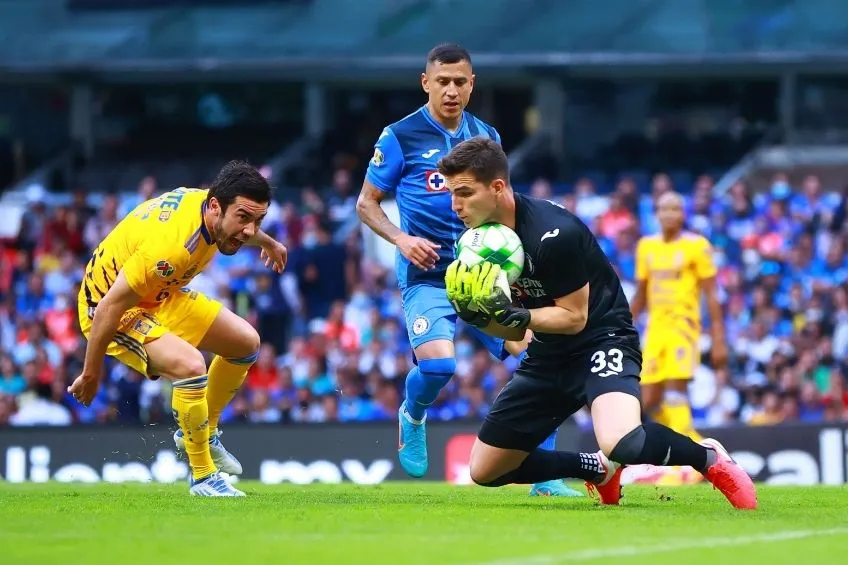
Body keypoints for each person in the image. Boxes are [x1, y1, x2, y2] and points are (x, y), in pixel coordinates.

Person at [439, 137, 757, 510]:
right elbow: (515, 332)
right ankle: (597, 469)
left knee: (623, 442)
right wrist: (480, 317)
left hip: (601, 339)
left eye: (463, 193)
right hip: (549, 351)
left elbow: (574, 318)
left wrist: (518, 316)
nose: (455, 205)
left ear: (497, 187)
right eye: (451, 194)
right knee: (485, 470)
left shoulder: (552, 233)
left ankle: (708, 457)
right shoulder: (477, 244)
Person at [356, 43, 578, 496]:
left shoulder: (486, 138)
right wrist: (401, 239)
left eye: (460, 82)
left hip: (483, 274)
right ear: (426, 83)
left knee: (544, 356)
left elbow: (504, 205)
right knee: (439, 367)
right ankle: (413, 413)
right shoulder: (400, 136)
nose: (451, 90)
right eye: (443, 82)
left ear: (472, 85)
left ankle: (544, 472)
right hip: (427, 273)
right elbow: (366, 204)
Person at [70, 160, 288, 496]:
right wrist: (91, 372)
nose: (249, 230)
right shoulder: (170, 247)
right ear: (215, 206)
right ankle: (202, 477)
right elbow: (109, 307)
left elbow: (242, 223)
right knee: (190, 366)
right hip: (110, 308)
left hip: (161, 294)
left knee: (245, 343)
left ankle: (205, 433)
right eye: (244, 219)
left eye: (258, 220)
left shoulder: (214, 209)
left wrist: (268, 243)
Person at [630, 191, 727, 484]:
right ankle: (697, 453)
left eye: (675, 208)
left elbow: (712, 295)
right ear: (656, 213)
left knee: (675, 388)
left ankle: (690, 464)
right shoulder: (646, 246)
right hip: (655, 330)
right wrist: (621, 325)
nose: (669, 214)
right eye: (664, 208)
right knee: (648, 400)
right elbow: (642, 294)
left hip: (683, 328)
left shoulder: (697, 246)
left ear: (683, 214)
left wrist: (719, 338)